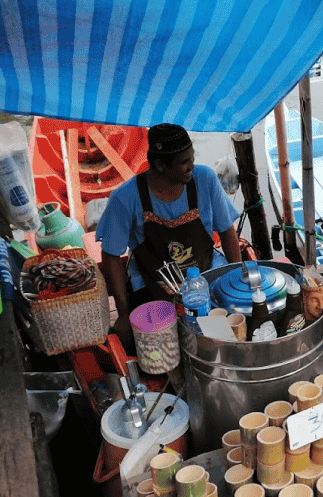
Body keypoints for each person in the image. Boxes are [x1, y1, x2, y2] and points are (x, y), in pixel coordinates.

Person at [97, 123, 242, 345]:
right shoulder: (125, 198)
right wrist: (124, 312)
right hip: (154, 285)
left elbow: (226, 231)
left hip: (205, 277)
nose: (192, 166)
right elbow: (111, 256)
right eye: (184, 162)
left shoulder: (204, 179)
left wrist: (237, 277)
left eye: (192, 158)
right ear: (160, 165)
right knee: (162, 346)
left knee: (226, 336)